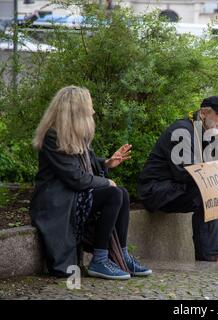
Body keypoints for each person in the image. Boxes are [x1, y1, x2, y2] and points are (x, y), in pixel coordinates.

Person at [30, 86, 152, 280]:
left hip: (72, 196)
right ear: (76, 110)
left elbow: (85, 165)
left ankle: (121, 255)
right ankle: (100, 259)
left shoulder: (76, 135)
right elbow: (75, 177)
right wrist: (106, 182)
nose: (93, 111)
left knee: (122, 193)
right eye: (89, 106)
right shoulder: (52, 137)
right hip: (57, 202)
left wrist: (106, 163)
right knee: (114, 193)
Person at [137, 96, 218, 264]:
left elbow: (212, 171)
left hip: (178, 187)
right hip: (157, 190)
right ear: (204, 113)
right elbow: (184, 173)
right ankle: (209, 258)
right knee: (208, 195)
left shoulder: (209, 134)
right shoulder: (182, 131)